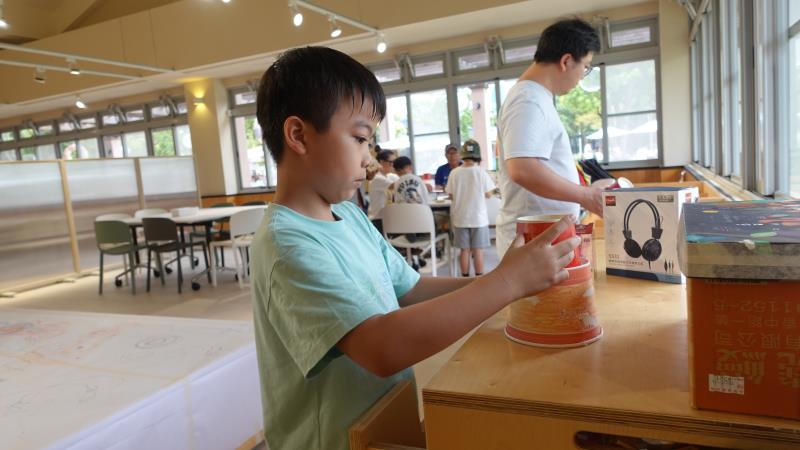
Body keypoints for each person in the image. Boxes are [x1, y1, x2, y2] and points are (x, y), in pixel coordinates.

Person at [250, 46, 579, 450]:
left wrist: (500, 277)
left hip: (385, 421)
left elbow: (410, 289)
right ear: (298, 135)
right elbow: (380, 346)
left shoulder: (349, 217)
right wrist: (508, 283)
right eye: (359, 139)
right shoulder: (287, 245)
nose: (370, 161)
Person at [495, 18, 615, 257]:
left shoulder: (536, 98)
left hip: (541, 236)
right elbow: (523, 169)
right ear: (566, 61)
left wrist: (584, 190)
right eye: (586, 67)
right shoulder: (529, 100)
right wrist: (585, 196)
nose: (583, 76)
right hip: (533, 241)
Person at [446, 139, 496, 277]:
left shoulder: (454, 173)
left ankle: (464, 277)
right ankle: (479, 277)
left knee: (464, 250)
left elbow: (450, 194)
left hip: (460, 218)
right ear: (478, 156)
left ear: (462, 155)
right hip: (478, 219)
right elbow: (489, 194)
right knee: (478, 250)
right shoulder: (481, 172)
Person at [367, 149, 398, 232]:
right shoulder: (377, 178)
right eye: (390, 162)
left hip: (386, 217)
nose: (393, 165)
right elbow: (397, 186)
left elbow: (401, 180)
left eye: (394, 162)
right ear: (381, 162)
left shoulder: (389, 176)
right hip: (377, 220)